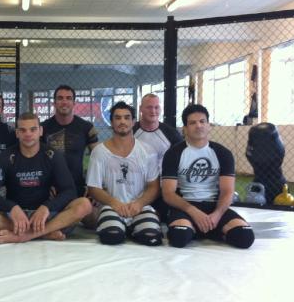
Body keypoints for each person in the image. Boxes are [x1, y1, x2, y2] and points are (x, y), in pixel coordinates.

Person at [0, 112, 92, 243]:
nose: (28, 134)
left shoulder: (52, 155)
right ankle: (43, 233)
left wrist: (47, 207)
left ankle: (25, 235)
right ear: (17, 133)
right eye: (23, 130)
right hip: (13, 217)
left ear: (40, 131)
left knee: (84, 205)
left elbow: (69, 191)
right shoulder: (6, 156)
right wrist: (11, 208)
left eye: (33, 129)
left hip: (45, 216)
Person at [161, 104, 255, 249]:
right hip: (186, 207)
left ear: (209, 125)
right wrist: (194, 212)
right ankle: (196, 229)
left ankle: (207, 228)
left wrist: (217, 215)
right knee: (179, 237)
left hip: (214, 206)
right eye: (192, 123)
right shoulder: (173, 154)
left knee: (245, 236)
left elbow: (227, 191)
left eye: (202, 121)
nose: (198, 126)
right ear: (185, 128)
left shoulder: (223, 153)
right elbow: (168, 194)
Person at [87, 102, 162, 246]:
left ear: (133, 122)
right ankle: (121, 228)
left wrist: (139, 203)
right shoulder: (99, 152)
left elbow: (154, 186)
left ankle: (134, 227)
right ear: (111, 122)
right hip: (112, 207)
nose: (122, 121)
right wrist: (114, 203)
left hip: (139, 207)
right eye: (118, 118)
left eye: (127, 118)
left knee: (151, 237)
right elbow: (93, 188)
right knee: (112, 237)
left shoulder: (147, 150)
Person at [41, 85, 98, 198]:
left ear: (74, 103)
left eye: (68, 98)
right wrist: (43, 185)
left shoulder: (86, 127)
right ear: (54, 103)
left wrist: (93, 185)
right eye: (60, 98)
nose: (64, 102)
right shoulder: (42, 128)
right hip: (50, 189)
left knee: (88, 209)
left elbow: (98, 159)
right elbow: (36, 160)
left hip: (78, 187)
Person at [134, 93, 183, 221]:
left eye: (156, 107)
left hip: (163, 188)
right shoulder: (131, 132)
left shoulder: (171, 134)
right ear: (141, 109)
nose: (153, 111)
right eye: (149, 107)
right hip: (135, 187)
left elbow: (181, 161)